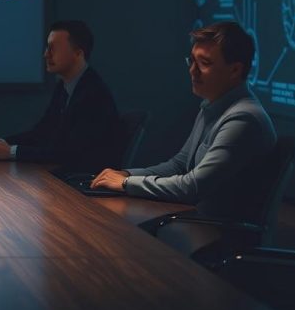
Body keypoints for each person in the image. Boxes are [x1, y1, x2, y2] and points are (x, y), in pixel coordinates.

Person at [90, 22, 276, 217]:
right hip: (193, 217)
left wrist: (126, 184)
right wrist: (127, 175)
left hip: (215, 228)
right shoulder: (211, 105)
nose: (192, 71)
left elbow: (192, 187)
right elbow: (179, 165)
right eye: (192, 61)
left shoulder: (243, 119)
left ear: (235, 70)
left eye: (204, 63)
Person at [0, 20, 124, 173]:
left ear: (78, 53)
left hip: (83, 181)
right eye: (47, 47)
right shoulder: (65, 86)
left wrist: (11, 151)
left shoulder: (93, 94)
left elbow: (68, 153)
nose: (46, 54)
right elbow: (41, 132)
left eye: (53, 48)